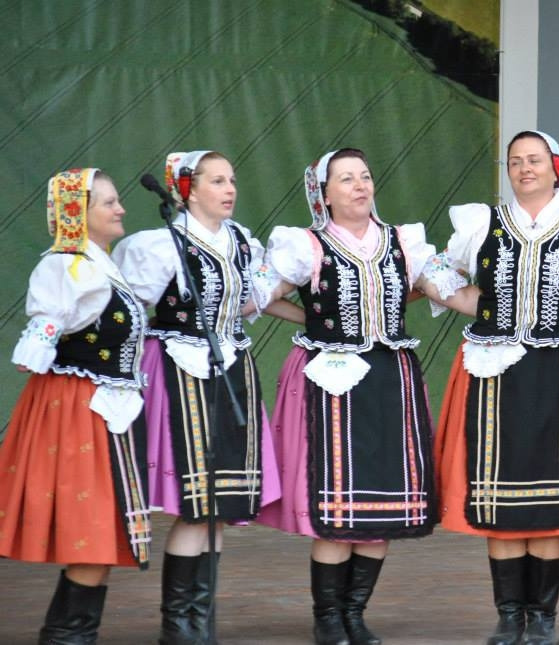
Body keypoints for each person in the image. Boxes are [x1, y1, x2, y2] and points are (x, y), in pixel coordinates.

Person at [418, 131, 559, 645]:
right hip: (494, 373)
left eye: (534, 160)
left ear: (557, 167)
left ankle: (542, 617)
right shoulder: (482, 225)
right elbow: (441, 274)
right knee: (498, 498)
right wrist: (485, 309)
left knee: (554, 499)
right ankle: (508, 614)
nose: (524, 168)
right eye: (515, 161)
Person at [255, 148, 437, 645]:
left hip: (390, 379)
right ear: (325, 194)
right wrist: (311, 319)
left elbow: (437, 288)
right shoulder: (307, 245)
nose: (360, 185)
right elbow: (261, 296)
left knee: (384, 505)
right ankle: (328, 617)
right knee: (338, 508)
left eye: (365, 176)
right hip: (331, 384)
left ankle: (355, 614)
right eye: (346, 179)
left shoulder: (403, 242)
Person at [113, 150, 285, 644]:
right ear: (186, 190)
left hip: (231, 368)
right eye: (217, 181)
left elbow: (248, 301)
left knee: (220, 503)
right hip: (180, 368)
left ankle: (199, 620)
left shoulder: (241, 241)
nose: (229, 189)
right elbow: (131, 308)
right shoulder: (162, 244)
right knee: (197, 503)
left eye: (231, 180)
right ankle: (178, 623)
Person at [0, 169, 151, 642]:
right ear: (77, 214)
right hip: (78, 408)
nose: (120, 208)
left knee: (102, 536)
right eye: (108, 203)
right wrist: (38, 342)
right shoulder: (67, 266)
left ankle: (68, 634)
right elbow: (47, 323)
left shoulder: (102, 265)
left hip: (108, 408)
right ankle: (66, 636)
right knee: (93, 533)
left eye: (117, 200)